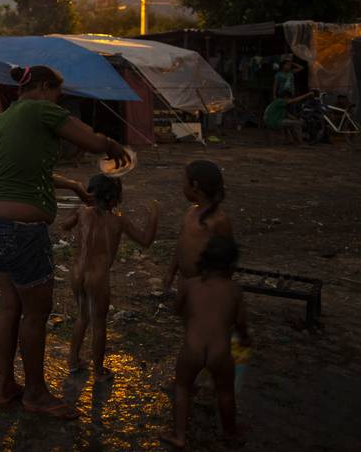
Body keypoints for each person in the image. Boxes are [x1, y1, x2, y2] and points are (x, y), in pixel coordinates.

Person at [0, 64, 131, 419]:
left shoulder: (5, 118)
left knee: (9, 307)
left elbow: (28, 170)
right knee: (35, 312)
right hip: (20, 230)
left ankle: (5, 387)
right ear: (45, 88)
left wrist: (74, 186)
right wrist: (112, 145)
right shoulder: (42, 107)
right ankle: (34, 393)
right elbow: (91, 141)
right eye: (58, 93)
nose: (59, 100)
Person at [60, 174, 160, 382]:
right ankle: (97, 372)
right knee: (98, 323)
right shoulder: (118, 220)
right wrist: (154, 216)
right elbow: (146, 240)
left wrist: (77, 208)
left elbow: (64, 225)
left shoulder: (82, 212)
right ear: (113, 198)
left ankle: (73, 361)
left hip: (77, 273)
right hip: (98, 277)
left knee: (82, 316)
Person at [161, 235, 250, 449]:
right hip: (220, 351)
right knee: (225, 392)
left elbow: (177, 309)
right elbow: (240, 322)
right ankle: (229, 433)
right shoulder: (234, 290)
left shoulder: (190, 285)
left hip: (192, 347)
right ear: (231, 265)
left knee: (182, 387)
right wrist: (244, 338)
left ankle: (180, 436)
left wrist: (189, 318)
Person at [164, 160, 231, 290]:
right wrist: (171, 272)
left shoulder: (219, 220)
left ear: (194, 185)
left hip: (206, 288)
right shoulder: (190, 212)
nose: (182, 186)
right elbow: (181, 245)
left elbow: (228, 260)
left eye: (183, 182)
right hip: (185, 283)